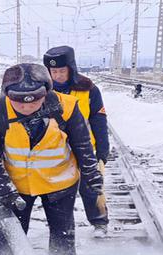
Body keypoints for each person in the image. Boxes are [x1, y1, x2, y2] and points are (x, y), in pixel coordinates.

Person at [0, 63, 103, 255]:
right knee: (10, 234)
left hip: (60, 183)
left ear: (46, 92)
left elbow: (82, 144)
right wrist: (5, 190)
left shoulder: (67, 106)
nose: (27, 107)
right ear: (7, 94)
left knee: (62, 232)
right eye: (19, 102)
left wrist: (91, 174)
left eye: (34, 101)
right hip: (17, 187)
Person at [44, 45, 110, 236]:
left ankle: (99, 221)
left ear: (71, 69)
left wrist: (103, 150)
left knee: (92, 187)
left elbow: (99, 120)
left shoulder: (88, 89)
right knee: (58, 191)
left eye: (61, 71)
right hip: (55, 150)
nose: (57, 75)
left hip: (85, 148)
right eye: (53, 71)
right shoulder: (44, 91)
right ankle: (60, 228)